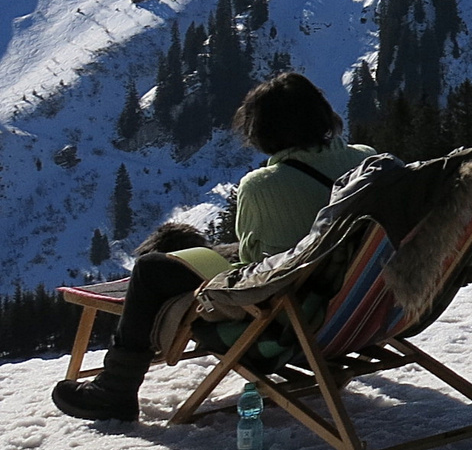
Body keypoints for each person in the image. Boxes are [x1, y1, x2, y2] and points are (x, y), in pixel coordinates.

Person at [51, 73, 376, 422]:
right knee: (186, 248)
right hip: (359, 304)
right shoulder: (367, 160)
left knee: (151, 269)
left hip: (288, 318)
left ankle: (115, 389)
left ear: (263, 129)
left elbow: (255, 268)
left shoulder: (264, 184)